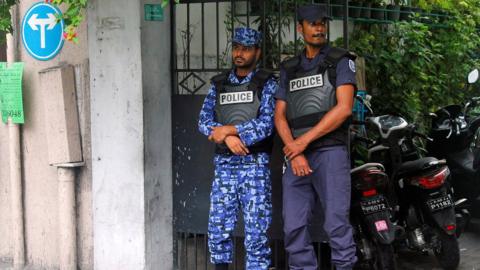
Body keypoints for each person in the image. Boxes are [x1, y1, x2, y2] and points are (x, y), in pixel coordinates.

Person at [274, 4, 358, 270]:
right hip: (297, 156)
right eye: (313, 23)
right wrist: (295, 150)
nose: (319, 27)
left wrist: (302, 142)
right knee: (293, 226)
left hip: (330, 153)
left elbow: (344, 108)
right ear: (301, 29)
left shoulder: (341, 60)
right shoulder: (290, 67)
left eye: (322, 23)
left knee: (336, 224)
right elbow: (279, 116)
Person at [198, 26, 278, 270]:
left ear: (257, 51)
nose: (239, 53)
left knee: (256, 232)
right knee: (218, 227)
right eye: (235, 48)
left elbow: (266, 125)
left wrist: (229, 130)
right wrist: (227, 139)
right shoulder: (219, 84)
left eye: (245, 48)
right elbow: (203, 122)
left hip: (255, 166)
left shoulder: (267, 83)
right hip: (224, 166)